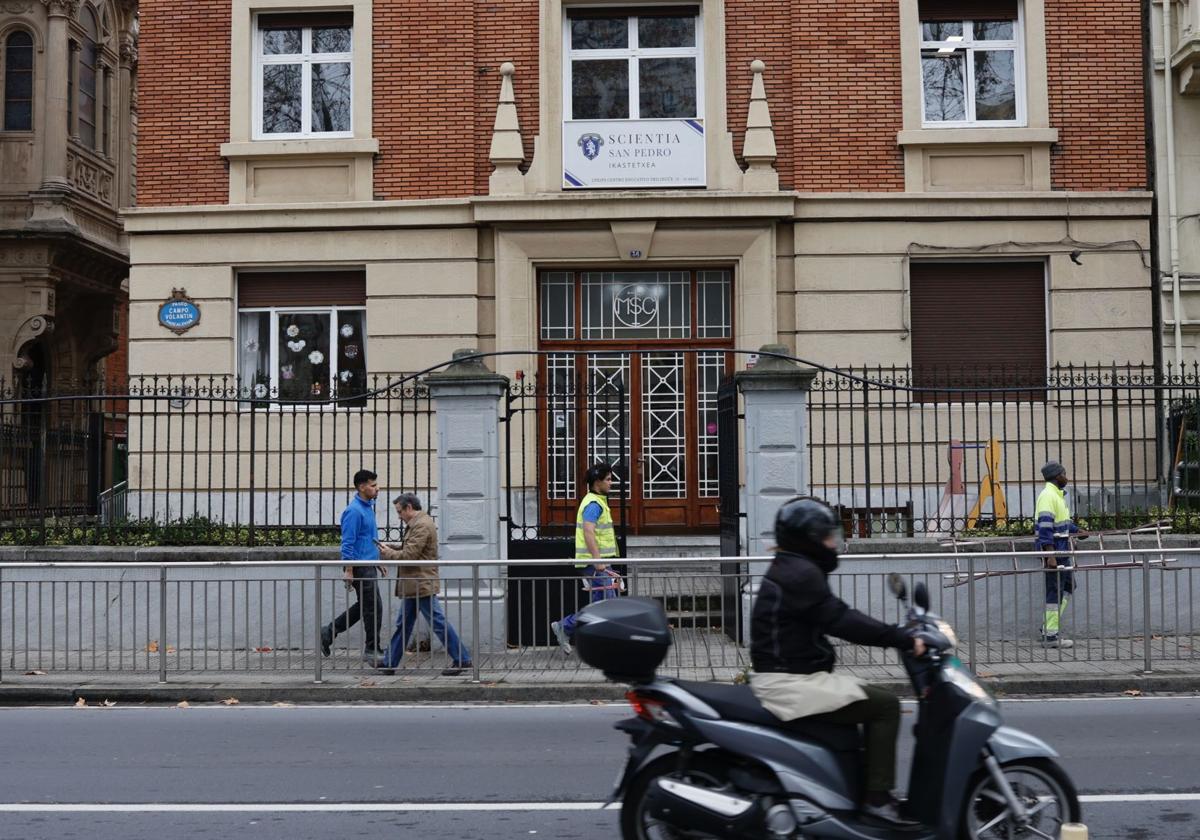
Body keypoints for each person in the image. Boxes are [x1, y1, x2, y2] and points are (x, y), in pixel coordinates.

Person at [748, 497, 924, 825]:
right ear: (809, 539)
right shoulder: (801, 574)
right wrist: (900, 638)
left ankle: (852, 788)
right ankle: (877, 799)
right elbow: (842, 620)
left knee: (858, 696)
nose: (834, 544)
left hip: (792, 674)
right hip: (791, 682)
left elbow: (835, 617)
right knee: (884, 705)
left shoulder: (792, 566)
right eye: (828, 537)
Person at [376, 493, 473, 677]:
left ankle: (462, 658)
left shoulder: (421, 525)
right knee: (403, 624)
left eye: (399, 512)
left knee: (437, 622)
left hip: (421, 582)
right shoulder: (419, 523)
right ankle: (389, 663)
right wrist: (392, 548)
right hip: (416, 583)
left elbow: (409, 556)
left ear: (409, 508)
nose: (399, 516)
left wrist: (389, 553)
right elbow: (411, 550)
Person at [550, 463, 623, 655]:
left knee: (601, 607)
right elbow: (589, 532)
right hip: (595, 564)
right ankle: (606, 645)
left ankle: (567, 628)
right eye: (608, 479)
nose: (611, 483)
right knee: (609, 605)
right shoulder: (593, 504)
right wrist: (599, 562)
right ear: (597, 481)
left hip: (598, 564)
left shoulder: (597, 501)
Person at [321, 469, 384, 661]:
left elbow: (369, 538)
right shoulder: (354, 511)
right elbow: (347, 544)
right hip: (359, 567)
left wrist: (378, 560)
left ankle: (329, 631)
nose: (377, 488)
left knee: (368, 606)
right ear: (362, 487)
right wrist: (349, 570)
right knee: (373, 607)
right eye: (373, 485)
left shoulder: (367, 507)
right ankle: (372, 650)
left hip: (368, 564)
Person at [1035, 461, 1085, 649]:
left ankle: (1048, 627)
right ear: (1057, 476)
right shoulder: (1048, 496)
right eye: (1064, 473)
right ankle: (1051, 636)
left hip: (1061, 550)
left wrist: (1076, 529)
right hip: (1055, 551)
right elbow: (1045, 527)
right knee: (1054, 590)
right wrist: (1050, 555)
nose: (1067, 477)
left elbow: (1062, 522)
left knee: (1068, 586)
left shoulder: (1056, 496)